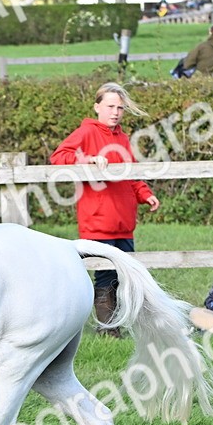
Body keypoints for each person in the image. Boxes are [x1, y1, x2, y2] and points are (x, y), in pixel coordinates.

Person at [49, 83, 159, 337]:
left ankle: (121, 325)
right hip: (97, 221)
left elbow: (131, 174)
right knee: (105, 277)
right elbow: (59, 157)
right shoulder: (86, 132)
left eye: (120, 108)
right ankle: (107, 331)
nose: (115, 112)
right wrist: (87, 160)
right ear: (97, 107)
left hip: (124, 222)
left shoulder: (122, 138)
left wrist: (145, 194)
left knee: (125, 276)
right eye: (110, 106)